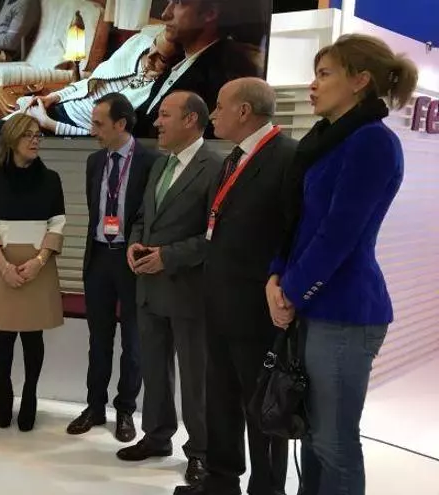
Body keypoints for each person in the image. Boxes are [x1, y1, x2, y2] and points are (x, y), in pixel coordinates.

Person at [267, 34, 418, 495]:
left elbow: (338, 234)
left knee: (333, 444)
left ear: (360, 81)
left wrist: (291, 291)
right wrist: (276, 276)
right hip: (314, 304)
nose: (312, 85)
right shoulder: (325, 142)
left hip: (346, 311)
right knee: (313, 437)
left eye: (324, 74)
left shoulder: (373, 142)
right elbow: (297, 221)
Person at [173, 77, 300, 495]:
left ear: (244, 111)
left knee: (261, 407)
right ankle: (220, 481)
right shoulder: (232, 158)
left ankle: (266, 488)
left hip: (258, 310)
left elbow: (294, 233)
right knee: (221, 398)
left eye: (219, 106)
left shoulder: (287, 157)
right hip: (219, 302)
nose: (212, 114)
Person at [120, 91, 220, 486]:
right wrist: (134, 243)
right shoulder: (161, 164)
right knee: (154, 368)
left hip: (189, 291)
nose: (156, 122)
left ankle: (201, 453)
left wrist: (169, 257)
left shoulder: (215, 167)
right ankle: (157, 436)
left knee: (196, 379)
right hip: (149, 288)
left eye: (164, 115)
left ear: (191, 120)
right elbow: (143, 217)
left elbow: (215, 236)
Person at [67, 93, 159, 442]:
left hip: (131, 260)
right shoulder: (94, 161)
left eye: (99, 124)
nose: (93, 130)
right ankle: (94, 406)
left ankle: (126, 410)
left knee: (133, 342)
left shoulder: (151, 161)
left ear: (121, 124)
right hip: (98, 258)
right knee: (99, 340)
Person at [0, 113, 66, 431]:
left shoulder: (51, 179)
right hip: (2, 263)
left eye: (38, 135)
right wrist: (3, 266)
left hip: (38, 266)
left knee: (32, 336)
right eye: (28, 135)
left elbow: (57, 223)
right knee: (3, 335)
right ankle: (5, 394)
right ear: (12, 139)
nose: (35, 140)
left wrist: (39, 261)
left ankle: (30, 395)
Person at [10, 28, 183, 136]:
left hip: (66, 129)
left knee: (5, 138)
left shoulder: (156, 95)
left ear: (173, 65)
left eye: (161, 58)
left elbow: (101, 138)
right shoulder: (138, 44)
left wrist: (48, 123)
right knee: (0, 128)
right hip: (61, 106)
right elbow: (88, 84)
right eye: (154, 45)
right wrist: (53, 97)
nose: (150, 57)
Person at [133, 0, 264, 139]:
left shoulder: (223, 75)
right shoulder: (177, 59)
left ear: (210, 13)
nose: (165, 14)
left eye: (178, 3)